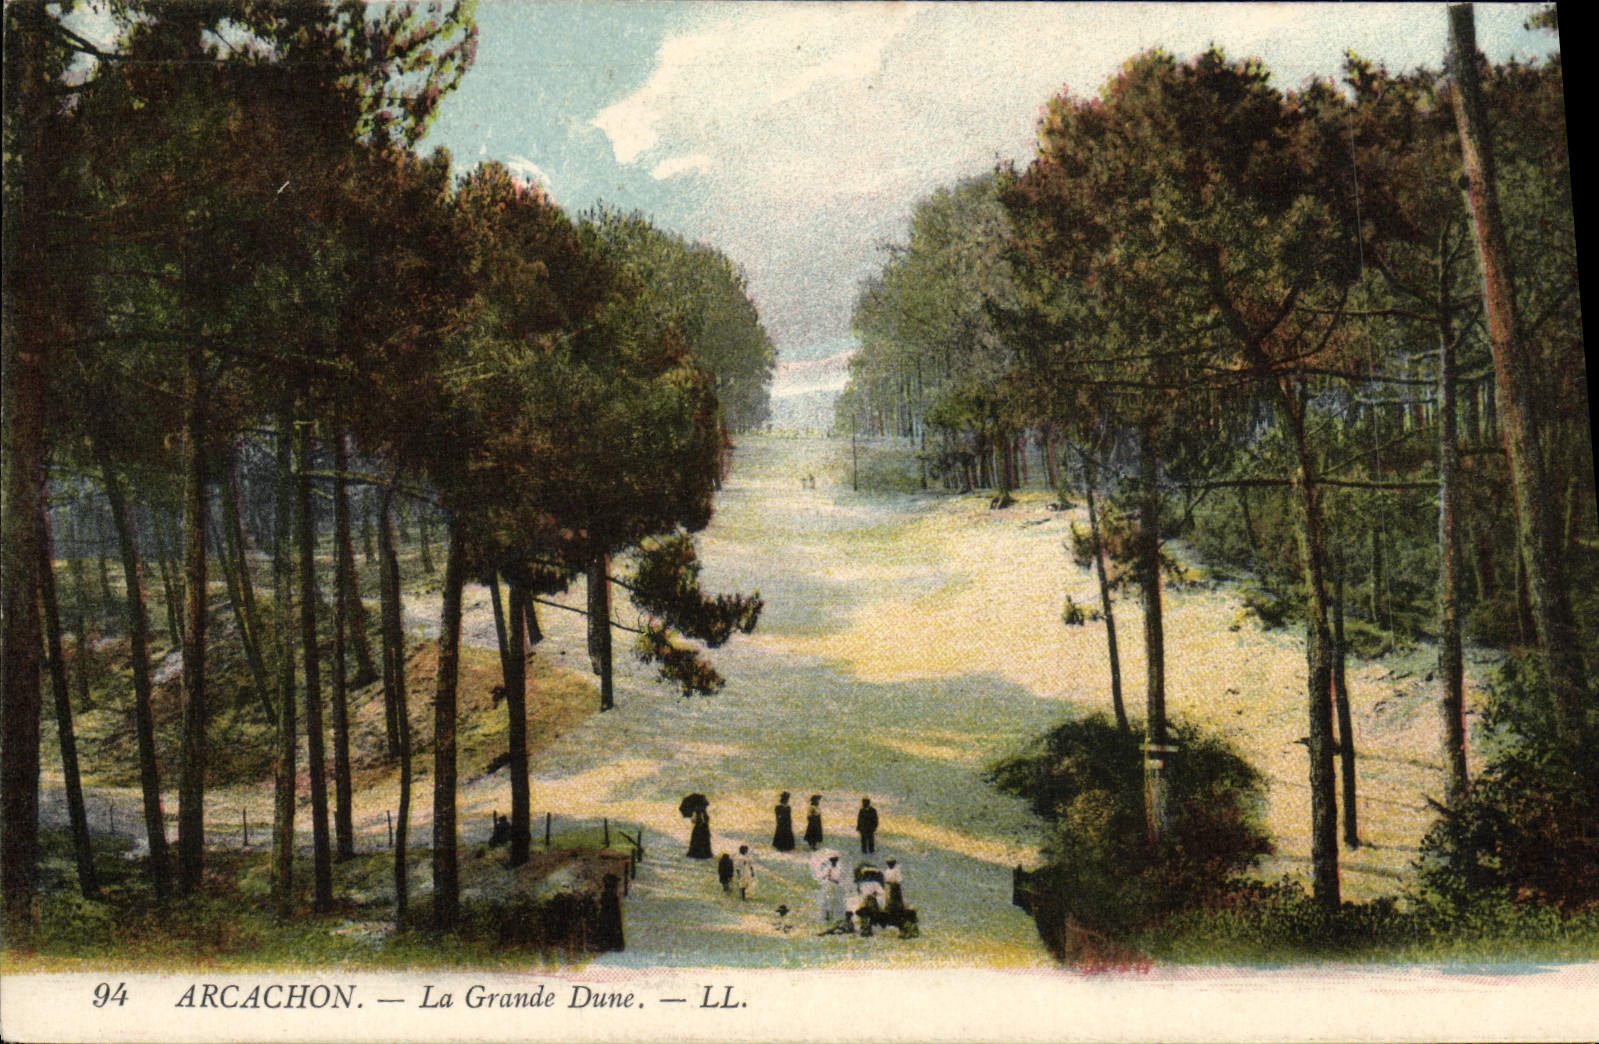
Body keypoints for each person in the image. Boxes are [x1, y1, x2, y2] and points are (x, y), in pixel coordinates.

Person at [816, 853, 843, 924]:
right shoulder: (828, 868)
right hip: (829, 884)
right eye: (833, 861)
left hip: (836, 885)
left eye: (835, 861)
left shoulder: (838, 868)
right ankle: (827, 914)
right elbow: (823, 876)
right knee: (828, 899)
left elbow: (839, 877)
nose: (834, 863)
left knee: (835, 900)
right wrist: (827, 876)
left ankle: (834, 914)